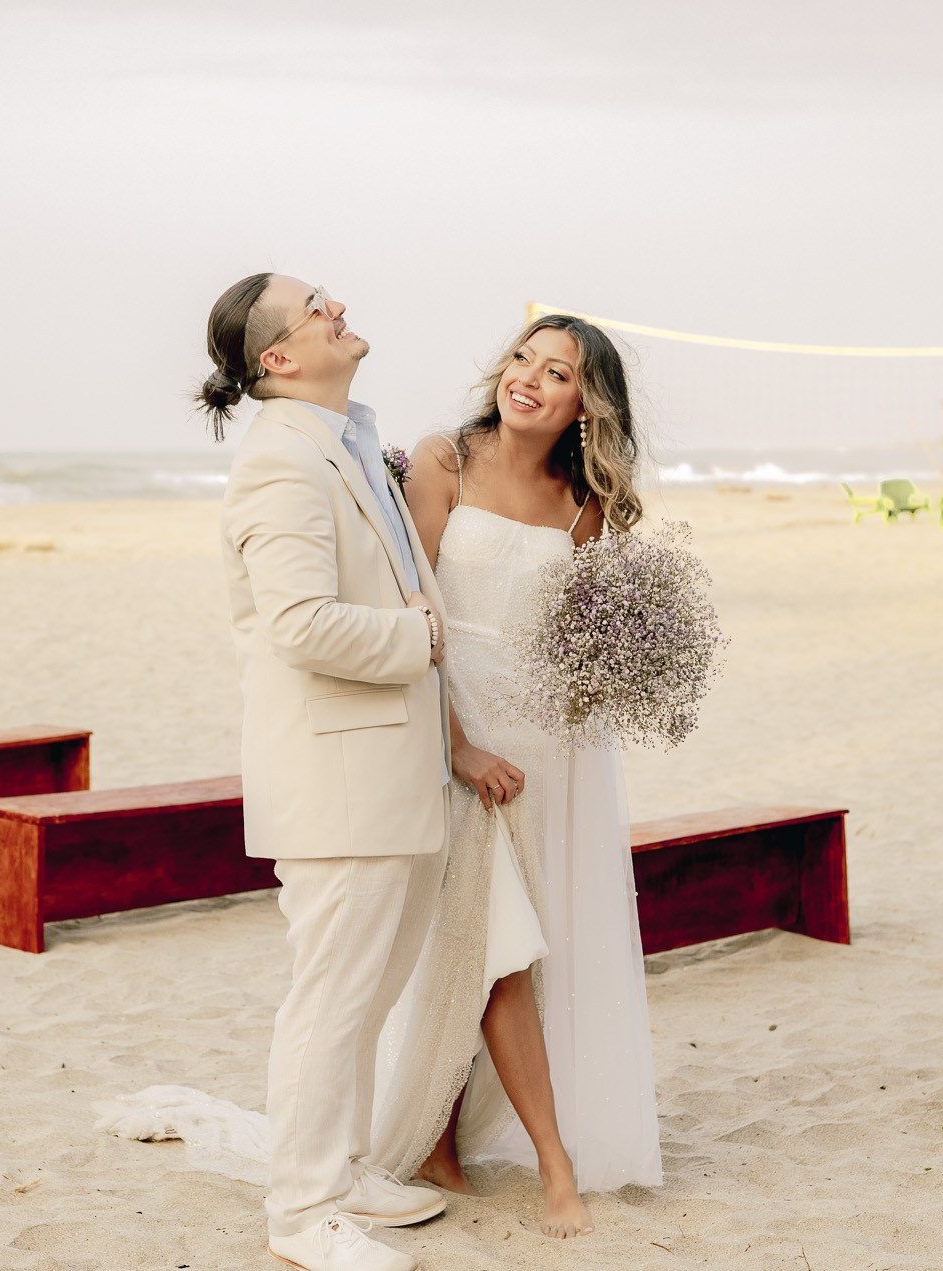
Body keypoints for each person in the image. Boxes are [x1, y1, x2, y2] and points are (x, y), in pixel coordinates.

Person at [368, 314, 663, 1235]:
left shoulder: (588, 506)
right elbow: (411, 608)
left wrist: (623, 674)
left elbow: (584, 643)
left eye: (559, 371)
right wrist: (455, 741)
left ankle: (440, 1136)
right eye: (524, 358)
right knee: (500, 947)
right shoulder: (442, 460)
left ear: (587, 403)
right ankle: (553, 1161)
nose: (529, 378)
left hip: (541, 749)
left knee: (491, 939)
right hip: (455, 733)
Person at [201, 273, 454, 1271]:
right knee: (331, 996)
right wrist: (423, 634)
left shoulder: (342, 442)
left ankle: (342, 1168)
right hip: (337, 784)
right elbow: (300, 625)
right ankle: (302, 1212)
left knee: (369, 989)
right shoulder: (280, 464)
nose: (337, 305)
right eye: (316, 306)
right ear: (278, 359)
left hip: (392, 768)